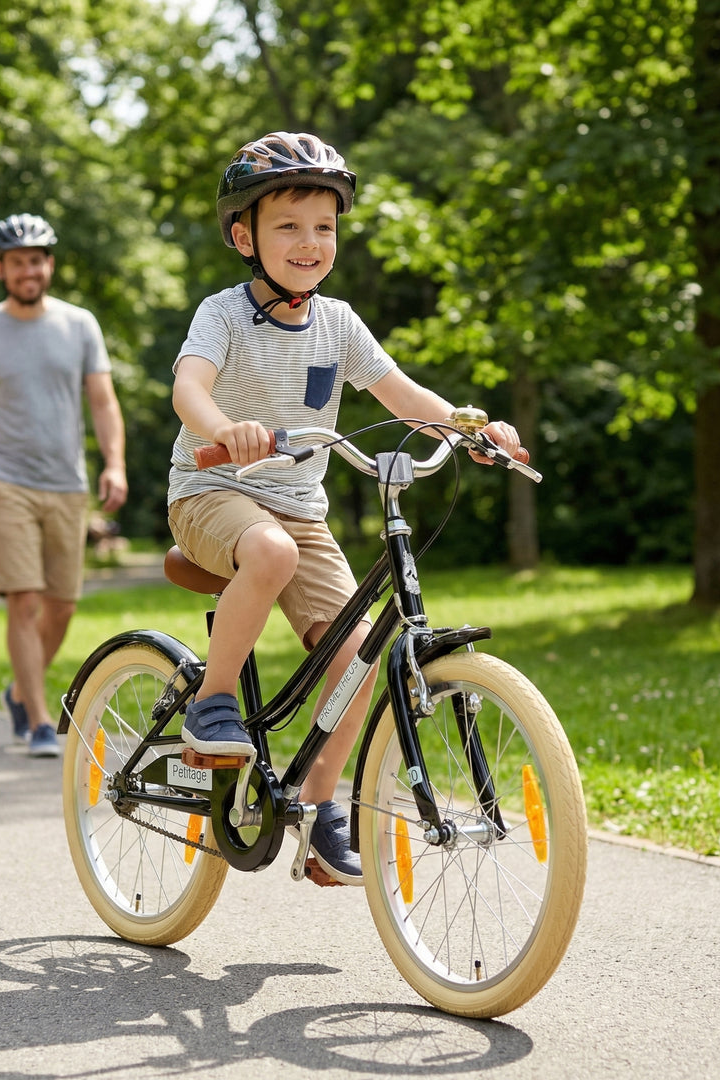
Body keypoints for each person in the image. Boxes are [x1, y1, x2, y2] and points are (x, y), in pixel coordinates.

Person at [167, 133, 522, 884]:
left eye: (324, 226)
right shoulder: (223, 315)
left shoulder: (339, 323)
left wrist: (469, 425)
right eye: (288, 225)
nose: (309, 242)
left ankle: (322, 813)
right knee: (271, 553)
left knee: (359, 657)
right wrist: (222, 430)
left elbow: (402, 397)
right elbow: (188, 387)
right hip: (212, 493)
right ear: (244, 236)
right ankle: (214, 702)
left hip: (298, 509)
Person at [0, 212, 128, 758]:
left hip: (66, 483)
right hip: (6, 480)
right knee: (23, 600)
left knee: (62, 603)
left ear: (50, 264)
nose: (29, 269)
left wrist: (113, 463)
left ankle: (19, 691)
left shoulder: (80, 325)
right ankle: (42, 719)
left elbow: (102, 401)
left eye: (38, 259)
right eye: (18, 260)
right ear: (1, 268)